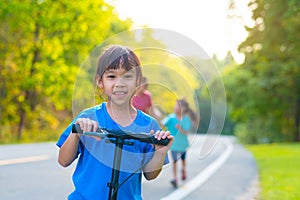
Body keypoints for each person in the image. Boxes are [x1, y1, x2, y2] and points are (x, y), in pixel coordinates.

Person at [56, 45, 173, 200]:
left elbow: (150, 174)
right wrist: (76, 134)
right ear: (100, 82)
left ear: (138, 81)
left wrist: (159, 152)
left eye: (127, 76)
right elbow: (63, 161)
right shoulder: (88, 117)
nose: (120, 83)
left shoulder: (149, 125)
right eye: (112, 77)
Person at [161, 99, 198, 188]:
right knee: (174, 161)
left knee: (183, 160)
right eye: (176, 105)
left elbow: (186, 131)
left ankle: (183, 170)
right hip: (173, 144)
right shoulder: (171, 117)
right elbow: (162, 124)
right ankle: (175, 178)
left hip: (183, 145)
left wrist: (180, 128)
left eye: (178, 105)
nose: (176, 107)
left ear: (184, 108)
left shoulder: (185, 119)